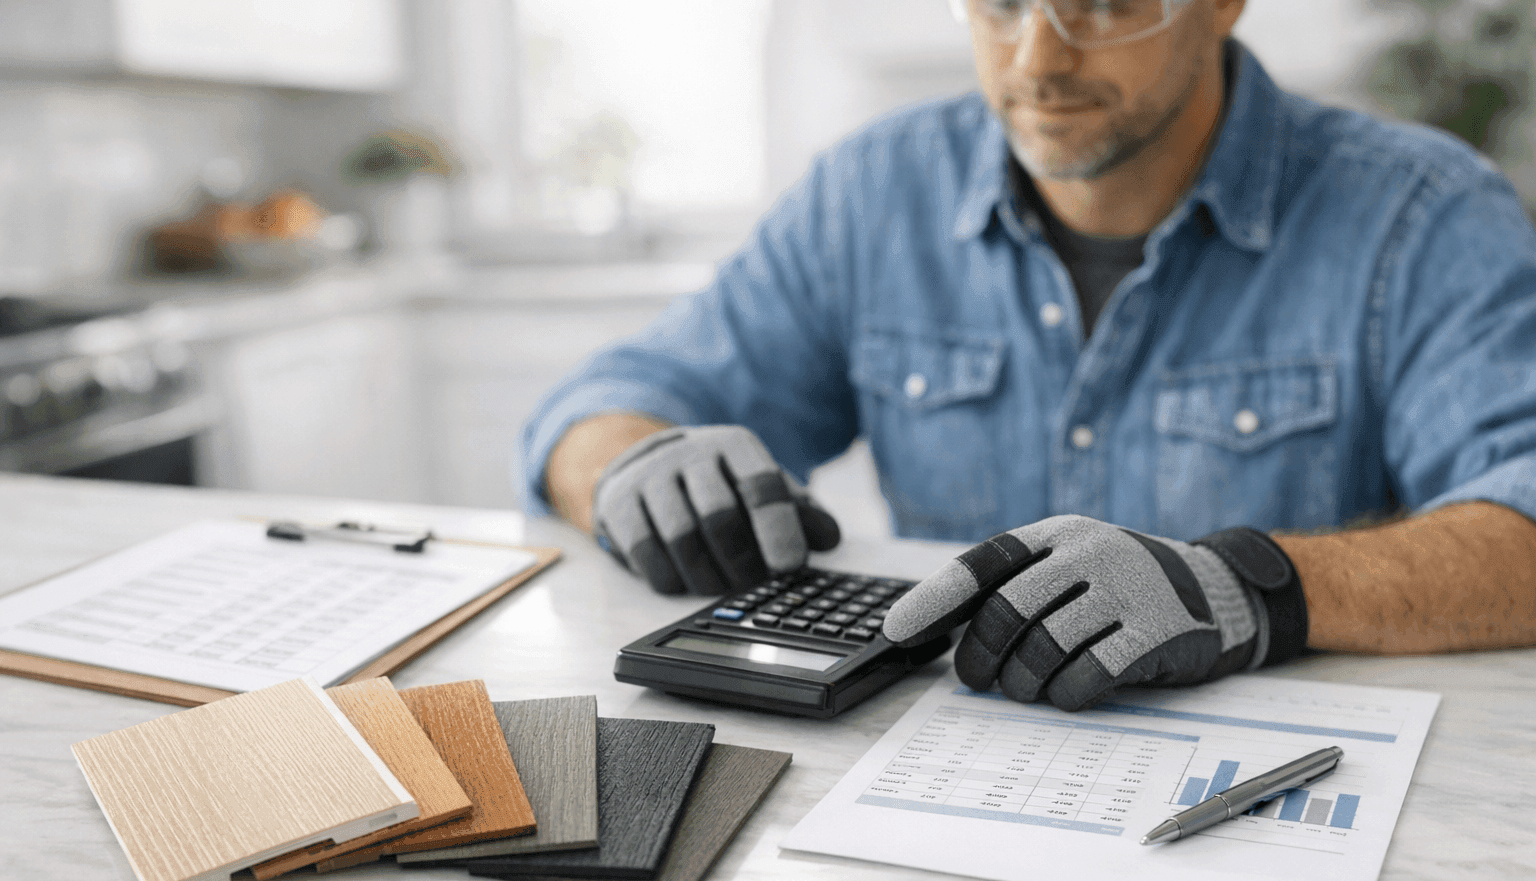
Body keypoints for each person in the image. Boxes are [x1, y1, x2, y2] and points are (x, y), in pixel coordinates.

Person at [520, 0, 1536, 711]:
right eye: (1001, 2)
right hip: (953, 788)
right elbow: (613, 398)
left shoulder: (1424, 216)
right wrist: (626, 465)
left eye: (1103, 3)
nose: (1038, 61)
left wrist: (1246, 586)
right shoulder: (875, 193)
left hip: (1284, 810)